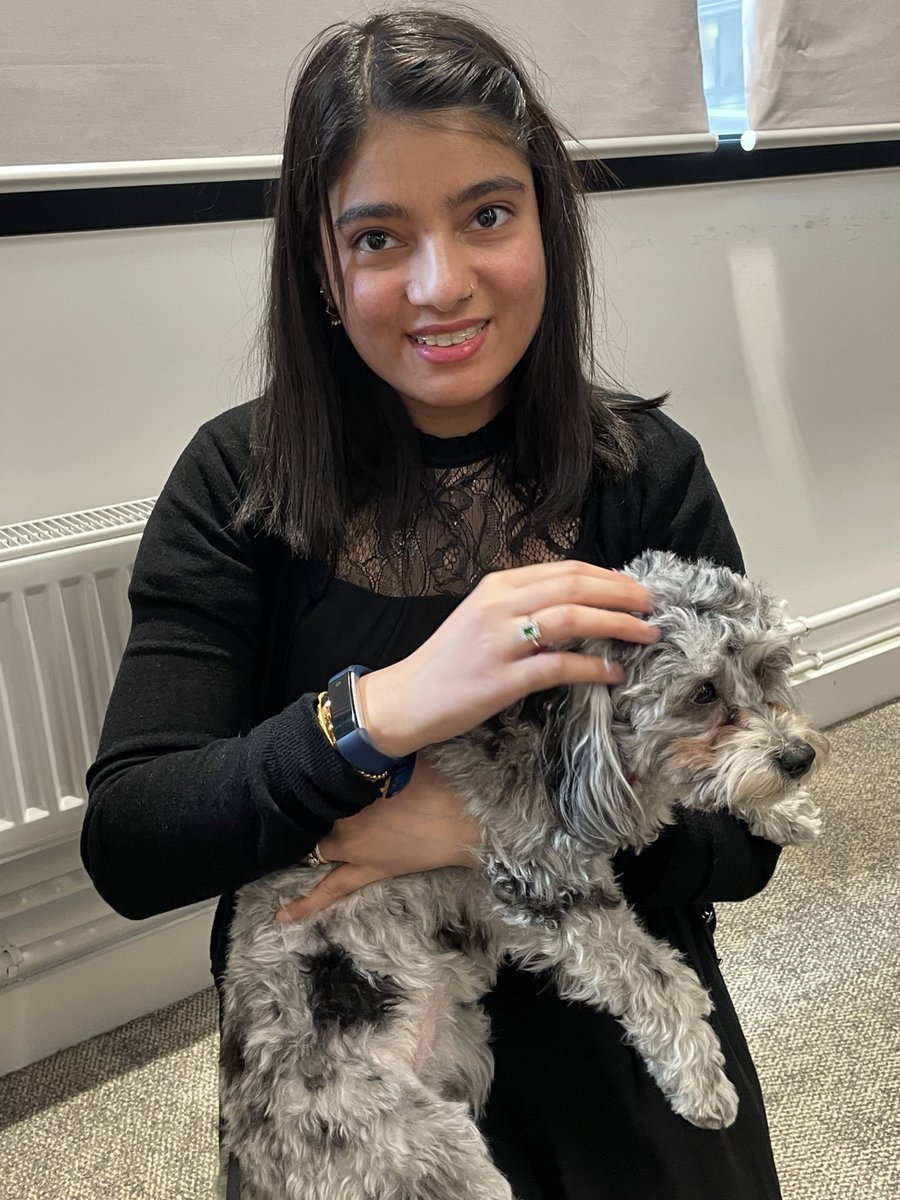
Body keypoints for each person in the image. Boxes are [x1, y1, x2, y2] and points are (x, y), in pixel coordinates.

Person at [82, 9, 785, 1199]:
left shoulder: (645, 472)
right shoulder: (235, 483)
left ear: (547, 225)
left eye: (487, 216)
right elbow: (136, 841)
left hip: (613, 987)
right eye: (376, 236)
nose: (438, 284)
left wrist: (482, 830)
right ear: (321, 263)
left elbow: (741, 843)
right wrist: (384, 709)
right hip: (347, 1036)